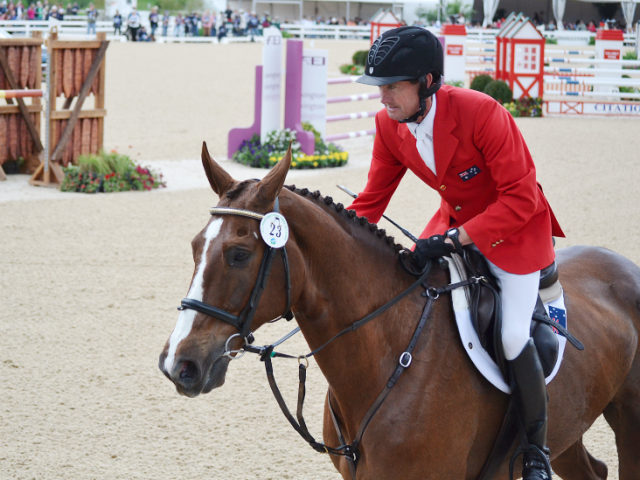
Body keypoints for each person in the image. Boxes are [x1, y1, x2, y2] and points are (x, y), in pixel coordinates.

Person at [348, 26, 563, 480]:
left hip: (515, 233)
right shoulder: (390, 125)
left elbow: (520, 199)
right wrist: (322, 233)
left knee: (509, 336)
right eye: (379, 87)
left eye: (391, 86)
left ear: (427, 82)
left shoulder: (481, 111)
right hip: (449, 225)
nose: (382, 97)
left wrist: (456, 240)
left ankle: (535, 450)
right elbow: (371, 201)